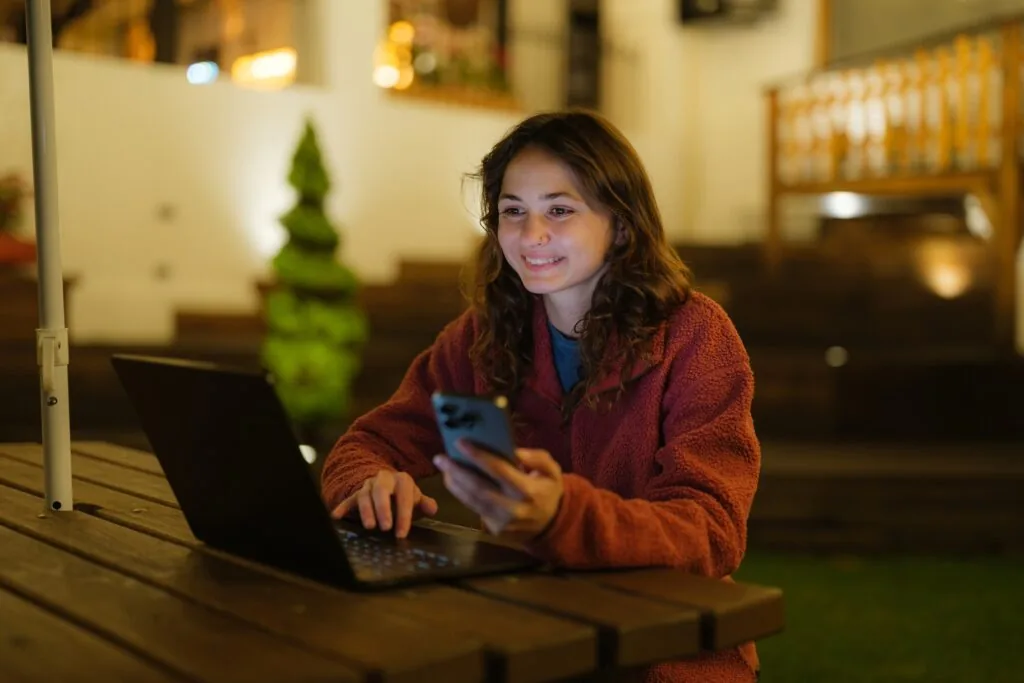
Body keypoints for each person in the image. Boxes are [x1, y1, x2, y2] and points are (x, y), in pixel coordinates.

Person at [320, 110, 761, 682]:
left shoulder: (695, 336)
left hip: (663, 653)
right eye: (512, 212)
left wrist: (562, 515)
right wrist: (369, 484)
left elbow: (712, 530)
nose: (532, 236)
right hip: (523, 639)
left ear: (621, 225)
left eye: (559, 209)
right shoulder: (481, 336)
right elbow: (367, 443)